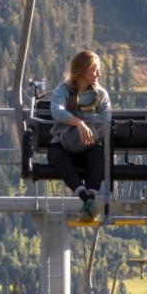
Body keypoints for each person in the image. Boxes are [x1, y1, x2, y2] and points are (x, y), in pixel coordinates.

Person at [48, 50, 111, 217]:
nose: (99, 74)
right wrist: (78, 123)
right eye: (94, 69)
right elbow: (56, 110)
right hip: (63, 143)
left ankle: (88, 198)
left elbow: (106, 120)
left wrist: (90, 125)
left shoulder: (100, 95)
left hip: (89, 145)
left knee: (97, 154)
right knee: (57, 156)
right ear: (83, 70)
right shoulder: (63, 90)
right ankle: (87, 198)